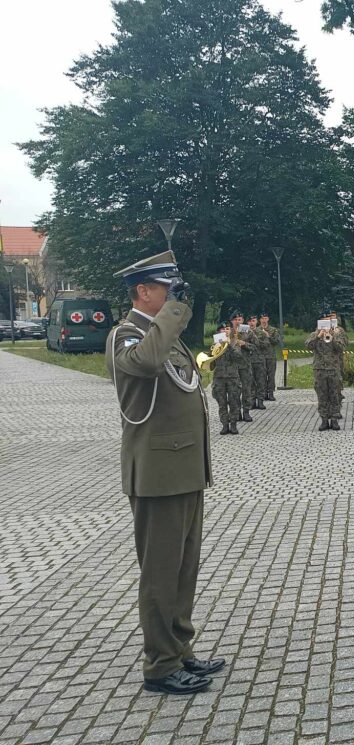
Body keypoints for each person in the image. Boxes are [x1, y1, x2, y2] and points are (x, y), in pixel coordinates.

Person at [105, 252, 222, 696]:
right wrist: (174, 311)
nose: (173, 298)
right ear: (143, 292)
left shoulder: (162, 336)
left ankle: (180, 650)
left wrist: (171, 314)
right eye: (165, 289)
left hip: (184, 469)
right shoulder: (127, 337)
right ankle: (159, 665)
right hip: (156, 473)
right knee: (159, 572)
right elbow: (149, 364)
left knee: (183, 568)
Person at [305, 310, 346, 431]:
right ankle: (324, 420)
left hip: (333, 369)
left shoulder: (336, 333)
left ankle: (334, 420)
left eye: (327, 321)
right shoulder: (314, 334)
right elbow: (308, 346)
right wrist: (318, 336)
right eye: (323, 322)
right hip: (319, 370)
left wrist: (332, 337)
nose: (325, 324)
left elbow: (341, 348)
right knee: (322, 396)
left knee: (334, 395)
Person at [210, 321, 244, 434]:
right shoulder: (215, 345)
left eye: (227, 329)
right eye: (222, 330)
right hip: (219, 378)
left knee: (234, 402)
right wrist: (215, 350)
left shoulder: (234, 343)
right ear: (219, 332)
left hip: (232, 377)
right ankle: (225, 424)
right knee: (222, 403)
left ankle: (233, 424)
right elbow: (211, 364)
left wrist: (228, 345)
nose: (225, 331)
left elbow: (238, 357)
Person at [230, 311, 255, 422]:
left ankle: (246, 412)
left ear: (243, 321)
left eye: (239, 319)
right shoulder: (227, 332)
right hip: (232, 366)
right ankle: (236, 413)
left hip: (245, 365)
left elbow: (256, 346)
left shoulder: (247, 331)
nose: (237, 321)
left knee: (246, 389)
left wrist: (244, 344)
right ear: (232, 321)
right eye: (235, 320)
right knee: (234, 391)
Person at [246, 314, 268, 410]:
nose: (252, 323)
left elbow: (265, 345)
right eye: (250, 321)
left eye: (253, 321)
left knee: (260, 381)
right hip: (248, 360)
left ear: (256, 322)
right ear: (247, 323)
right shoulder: (243, 333)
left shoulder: (262, 333)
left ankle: (260, 401)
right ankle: (252, 401)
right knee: (250, 382)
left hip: (259, 360)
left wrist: (254, 337)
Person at [259, 311, 279, 401]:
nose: (264, 320)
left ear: (268, 319)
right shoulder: (257, 330)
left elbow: (276, 341)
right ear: (260, 320)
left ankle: (270, 393)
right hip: (260, 356)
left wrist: (268, 336)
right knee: (261, 376)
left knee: (271, 376)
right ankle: (262, 393)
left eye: (266, 318)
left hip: (271, 356)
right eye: (262, 318)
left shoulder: (273, 330)